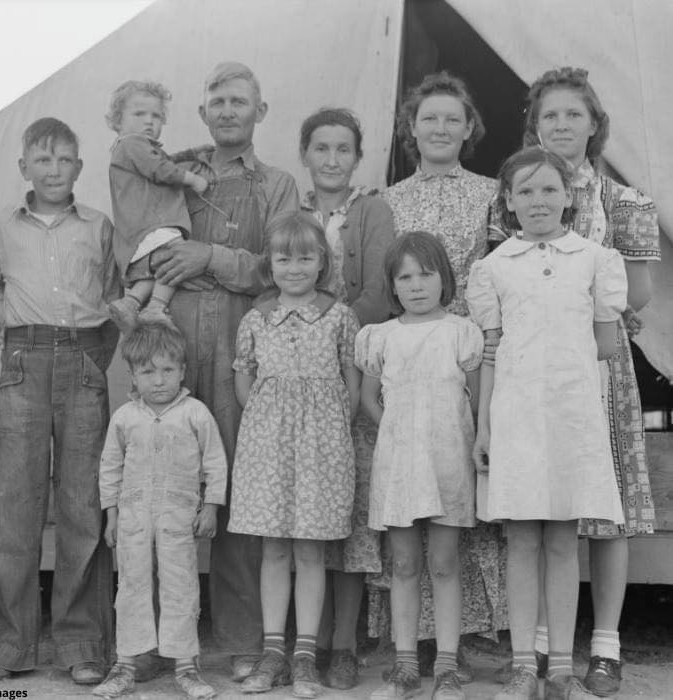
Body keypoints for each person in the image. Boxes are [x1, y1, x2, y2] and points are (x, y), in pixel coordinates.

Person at [490, 67, 661, 697]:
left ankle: (607, 645)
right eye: (549, 116)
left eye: (573, 115)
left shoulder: (625, 202)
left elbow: (636, 296)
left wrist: (585, 316)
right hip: (530, 369)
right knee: (540, 504)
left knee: (604, 505)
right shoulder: (518, 192)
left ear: (595, 126)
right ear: (535, 125)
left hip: (600, 364)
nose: (561, 126)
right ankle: (538, 645)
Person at [149, 61, 300, 681]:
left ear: (260, 112)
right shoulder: (174, 174)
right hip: (176, 334)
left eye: (241, 101)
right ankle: (163, 640)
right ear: (203, 111)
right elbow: (142, 238)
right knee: (168, 479)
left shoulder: (277, 184)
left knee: (238, 486)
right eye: (218, 100)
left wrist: (208, 255)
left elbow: (284, 265)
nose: (229, 110)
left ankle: (243, 637)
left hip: (244, 337)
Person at [468, 146, 627, 700]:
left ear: (570, 196)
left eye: (549, 190)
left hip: (569, 419)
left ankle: (560, 668)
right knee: (519, 541)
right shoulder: (492, 269)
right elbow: (490, 352)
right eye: (526, 191)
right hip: (515, 419)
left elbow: (605, 344)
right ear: (508, 202)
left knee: (562, 540)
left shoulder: (594, 259)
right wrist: (485, 429)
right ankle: (520, 666)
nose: (538, 201)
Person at [0, 117, 119, 685]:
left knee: (83, 508)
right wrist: (0, 312)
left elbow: (112, 297)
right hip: (22, 367)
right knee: (18, 510)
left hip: (82, 363)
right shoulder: (3, 226)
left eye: (64, 160)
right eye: (42, 159)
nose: (53, 169)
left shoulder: (98, 226)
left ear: (78, 168)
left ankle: (81, 644)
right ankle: (11, 646)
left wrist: (90, 361)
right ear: (24, 168)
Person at [373, 71, 507, 679]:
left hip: (466, 345)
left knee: (459, 514)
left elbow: (500, 272)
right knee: (408, 523)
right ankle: (408, 647)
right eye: (429, 117)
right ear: (411, 128)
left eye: (454, 118)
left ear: (470, 128)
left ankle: (468, 640)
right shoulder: (388, 200)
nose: (441, 128)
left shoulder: (490, 193)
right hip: (406, 353)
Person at [228, 211, 360, 699]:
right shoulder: (256, 317)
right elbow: (245, 378)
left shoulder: (339, 315)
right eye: (284, 258)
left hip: (322, 445)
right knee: (274, 548)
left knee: (310, 548)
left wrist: (326, 426)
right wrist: (270, 419)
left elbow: (351, 380)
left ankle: (305, 654)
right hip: (268, 446)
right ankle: (273, 652)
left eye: (306, 258)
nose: (295, 267)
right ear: (271, 263)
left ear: (322, 262)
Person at [358, 232, 482, 700]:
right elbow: (369, 399)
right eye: (404, 276)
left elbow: (474, 398)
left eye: (426, 274)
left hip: (448, 462)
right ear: (392, 286)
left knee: (445, 563)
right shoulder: (380, 337)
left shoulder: (460, 332)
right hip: (399, 466)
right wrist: (399, 432)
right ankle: (406, 665)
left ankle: (447, 666)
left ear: (444, 279)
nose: (416, 285)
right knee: (405, 563)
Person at [296, 107, 395, 690]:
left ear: (357, 157)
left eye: (343, 149)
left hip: (352, 370)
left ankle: (343, 644)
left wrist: (327, 329)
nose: (332, 159)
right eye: (321, 148)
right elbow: (272, 277)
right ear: (305, 154)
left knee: (350, 512)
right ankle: (300, 639)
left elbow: (380, 292)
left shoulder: (372, 210)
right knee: (307, 509)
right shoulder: (291, 213)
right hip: (301, 384)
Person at [93, 322, 226, 700]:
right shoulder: (125, 418)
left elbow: (215, 463)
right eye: (148, 371)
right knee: (131, 587)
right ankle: (125, 665)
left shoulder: (194, 414)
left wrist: (212, 507)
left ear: (182, 371)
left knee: (181, 587)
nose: (158, 380)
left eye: (168, 370)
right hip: (133, 518)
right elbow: (110, 466)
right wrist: (111, 515)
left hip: (178, 518)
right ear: (132, 375)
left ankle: (186, 666)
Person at [104, 80, 209, 333]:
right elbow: (159, 168)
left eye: (157, 116)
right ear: (117, 121)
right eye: (139, 114)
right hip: (155, 223)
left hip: (138, 230)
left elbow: (161, 160)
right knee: (176, 258)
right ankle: (155, 307)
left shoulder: (129, 148)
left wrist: (189, 154)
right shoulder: (133, 144)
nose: (149, 122)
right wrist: (191, 178)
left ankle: (131, 302)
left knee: (153, 271)